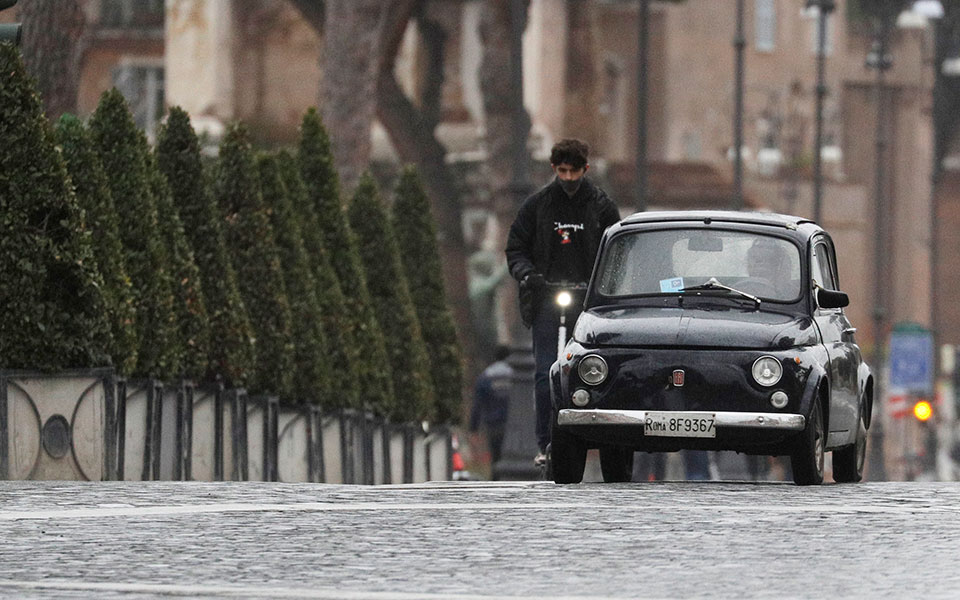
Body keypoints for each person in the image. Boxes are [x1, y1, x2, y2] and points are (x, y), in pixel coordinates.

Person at [505, 139, 620, 467]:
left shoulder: (600, 207)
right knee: (545, 371)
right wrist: (528, 274)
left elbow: (616, 252)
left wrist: (601, 284)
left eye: (574, 172)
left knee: (591, 369)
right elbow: (516, 248)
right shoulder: (537, 206)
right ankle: (545, 442)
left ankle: (595, 436)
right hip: (546, 297)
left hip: (588, 302)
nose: (568, 179)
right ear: (555, 169)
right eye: (562, 171)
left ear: (585, 169)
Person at [469, 346, 514, 471]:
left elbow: (477, 404)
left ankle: (497, 480)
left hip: (494, 425)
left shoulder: (486, 376)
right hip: (515, 426)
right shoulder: (517, 374)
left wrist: (473, 429)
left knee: (496, 458)